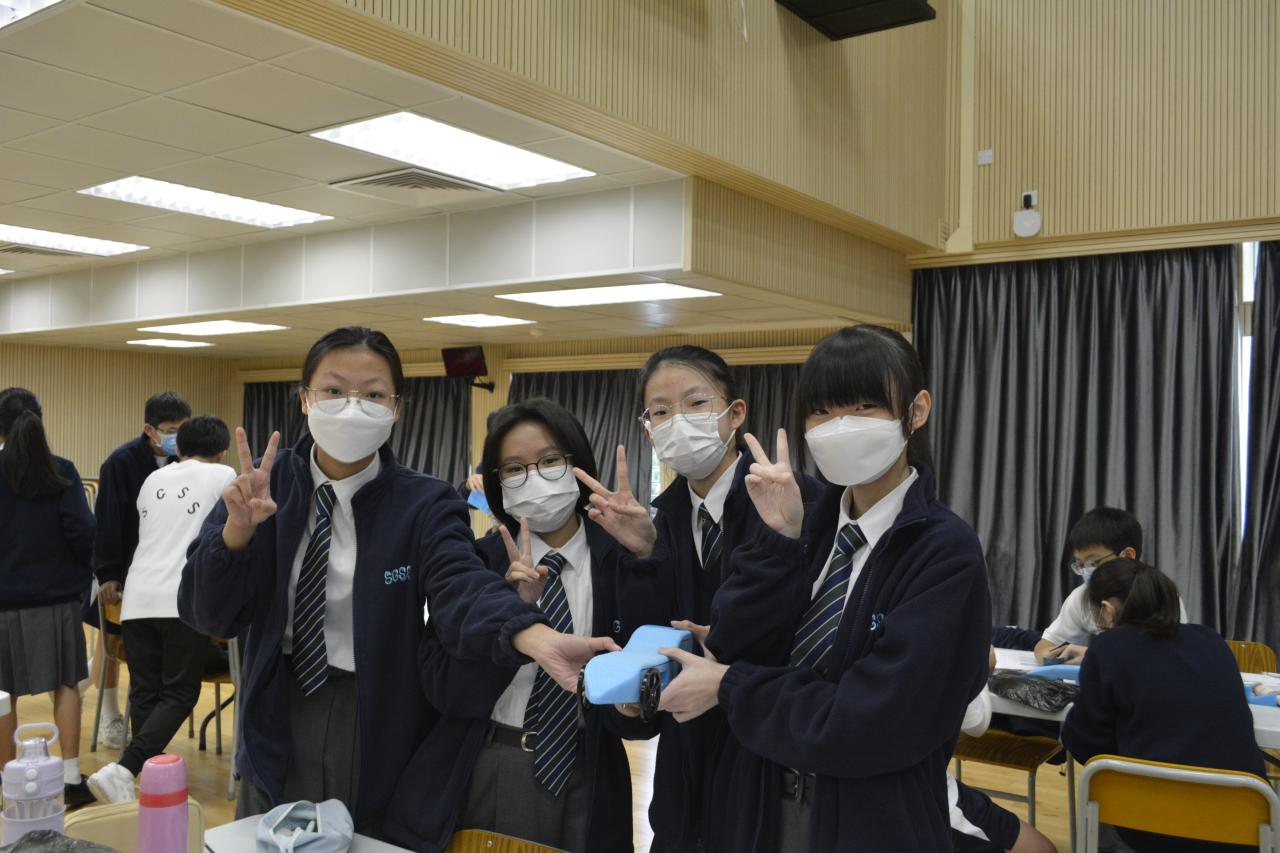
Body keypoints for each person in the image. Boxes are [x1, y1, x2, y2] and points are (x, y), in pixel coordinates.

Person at [178, 327, 616, 838]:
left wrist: (532, 635)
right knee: (269, 838)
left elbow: (461, 585)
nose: (352, 406)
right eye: (334, 390)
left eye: (373, 394)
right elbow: (208, 614)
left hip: (377, 714)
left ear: (396, 408)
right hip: (277, 702)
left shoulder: (424, 503)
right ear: (304, 399)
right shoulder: (263, 487)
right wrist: (236, 533)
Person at [655, 324, 992, 851]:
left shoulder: (946, 551)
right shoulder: (803, 524)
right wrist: (779, 543)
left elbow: (871, 721)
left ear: (916, 411)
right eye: (822, 412)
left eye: (863, 407)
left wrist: (732, 686)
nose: (839, 427)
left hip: (871, 825)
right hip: (758, 811)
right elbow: (732, 645)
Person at [575, 345, 819, 852]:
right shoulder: (657, 523)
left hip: (772, 767)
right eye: (661, 412)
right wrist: (645, 556)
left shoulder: (800, 505)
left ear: (736, 413)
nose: (679, 421)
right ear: (649, 431)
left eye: (696, 403)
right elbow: (648, 651)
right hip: (684, 780)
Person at [385, 398, 644, 852]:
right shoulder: (475, 563)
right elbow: (444, 687)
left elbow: (645, 706)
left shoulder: (622, 562)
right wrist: (510, 619)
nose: (535, 477)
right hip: (485, 761)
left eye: (550, 461)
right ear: (496, 483)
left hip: (587, 769)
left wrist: (631, 702)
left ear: (578, 465)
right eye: (514, 468)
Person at [1061, 558, 1266, 853]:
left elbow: (1086, 743)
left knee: (1102, 784)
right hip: (1244, 823)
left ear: (1107, 609)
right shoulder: (1211, 640)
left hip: (1151, 826)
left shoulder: (1107, 648)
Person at [88, 416, 235, 803]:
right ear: (223, 451)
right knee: (180, 693)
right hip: (182, 597)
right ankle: (125, 768)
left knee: (145, 690)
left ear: (179, 448)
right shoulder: (224, 475)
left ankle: (138, 777)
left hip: (138, 595)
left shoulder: (153, 479)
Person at [0, 388, 96, 807]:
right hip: (56, 600)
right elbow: (83, 532)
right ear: (39, 420)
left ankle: (7, 781)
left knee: (2, 695)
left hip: (2, 602)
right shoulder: (62, 471)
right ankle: (71, 777)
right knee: (66, 684)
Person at [91, 390, 190, 748]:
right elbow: (108, 522)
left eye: (183, 429)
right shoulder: (121, 463)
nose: (177, 436)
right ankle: (109, 717)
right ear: (149, 429)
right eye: (170, 430)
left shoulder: (187, 461)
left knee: (151, 657)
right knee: (112, 643)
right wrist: (109, 574)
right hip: (126, 567)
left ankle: (146, 731)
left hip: (170, 573)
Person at [1034, 508, 1185, 664]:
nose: (1086, 571)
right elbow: (1048, 643)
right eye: (1080, 565)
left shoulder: (1160, 593)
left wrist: (1096, 656)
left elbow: (1172, 655)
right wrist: (1049, 655)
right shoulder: (1082, 596)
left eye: (1094, 563)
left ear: (1127, 555)